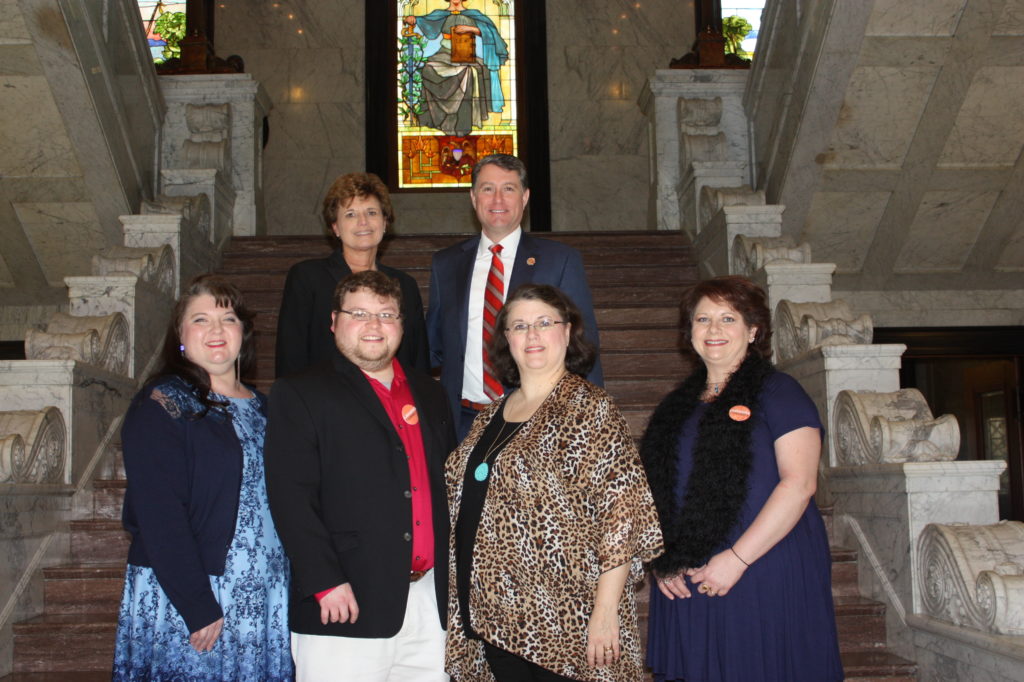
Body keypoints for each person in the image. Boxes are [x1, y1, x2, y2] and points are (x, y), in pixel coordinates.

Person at [445, 283, 662, 681]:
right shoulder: (489, 416)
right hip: (493, 618)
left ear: (567, 331)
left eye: (544, 323)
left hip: (566, 621)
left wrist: (605, 611)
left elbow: (624, 514)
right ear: (506, 339)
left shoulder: (588, 407)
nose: (532, 335)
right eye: (519, 326)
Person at [640, 276, 843, 682]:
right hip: (686, 573)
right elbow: (652, 494)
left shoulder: (780, 393)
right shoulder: (674, 406)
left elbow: (799, 484)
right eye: (702, 319)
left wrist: (736, 560)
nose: (713, 330)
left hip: (762, 566)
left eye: (727, 318)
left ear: (752, 331)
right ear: (690, 332)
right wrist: (662, 561)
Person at [265, 270, 456, 681]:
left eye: (387, 315)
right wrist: (325, 581)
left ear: (402, 325)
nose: (374, 326)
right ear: (334, 322)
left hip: (428, 603)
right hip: (344, 601)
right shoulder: (299, 393)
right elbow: (290, 497)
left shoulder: (430, 393)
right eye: (360, 314)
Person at [112, 274, 293, 680]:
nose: (216, 330)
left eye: (227, 319)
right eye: (200, 320)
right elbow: (159, 513)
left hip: (266, 592)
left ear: (243, 333)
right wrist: (197, 603)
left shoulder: (268, 408)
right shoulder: (163, 404)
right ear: (179, 336)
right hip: (198, 593)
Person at [427, 154, 603, 440]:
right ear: (473, 198)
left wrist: (590, 424)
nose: (498, 199)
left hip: (538, 421)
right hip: (462, 422)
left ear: (525, 197)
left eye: (508, 189)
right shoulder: (446, 264)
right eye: (487, 189)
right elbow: (433, 346)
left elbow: (584, 347)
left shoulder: (560, 260)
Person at [275, 171, 428, 378]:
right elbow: (291, 357)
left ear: (385, 222)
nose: (363, 222)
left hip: (392, 403)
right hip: (326, 401)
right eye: (351, 214)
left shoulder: (404, 285)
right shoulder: (307, 277)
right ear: (336, 227)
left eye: (372, 213)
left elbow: (416, 360)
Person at [403, 0, 509, 136]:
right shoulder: (439, 14)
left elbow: (491, 33)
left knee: (470, 71)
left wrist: (470, 29)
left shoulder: (475, 15)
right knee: (428, 68)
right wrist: (413, 19)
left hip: (466, 54)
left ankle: (462, 125)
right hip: (443, 54)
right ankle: (433, 120)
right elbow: (423, 21)